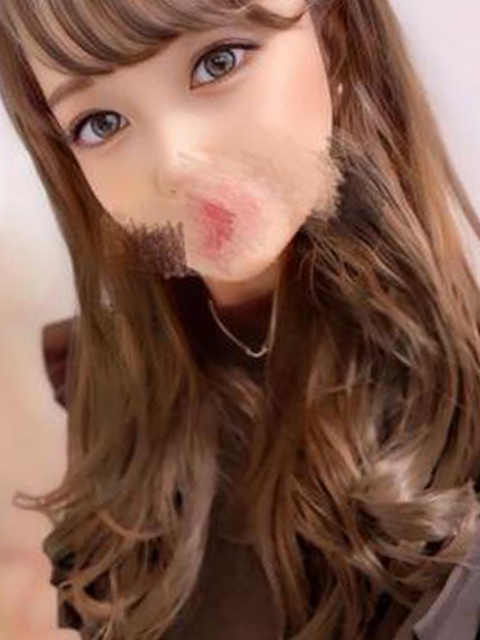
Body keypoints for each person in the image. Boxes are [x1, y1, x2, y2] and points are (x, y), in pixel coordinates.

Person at [1, 0, 480, 638]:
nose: (174, 160)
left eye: (218, 62)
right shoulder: (108, 389)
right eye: (101, 123)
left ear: (335, 35)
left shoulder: (463, 393)